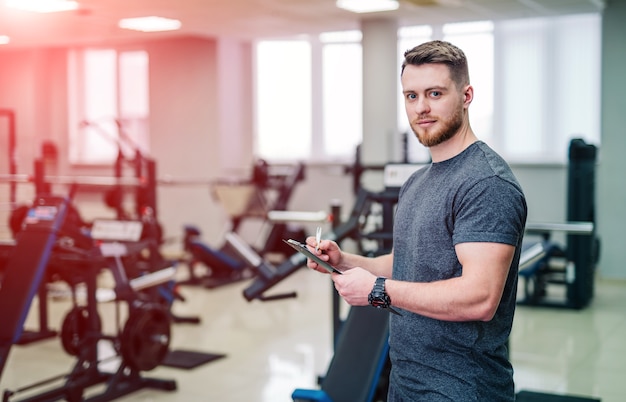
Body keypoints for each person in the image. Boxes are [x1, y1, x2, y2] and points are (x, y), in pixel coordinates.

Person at [306, 40, 527, 401]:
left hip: (461, 389)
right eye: (411, 96)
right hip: (407, 383)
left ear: (467, 94)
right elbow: (406, 265)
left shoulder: (486, 183)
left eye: (435, 93)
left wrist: (377, 290)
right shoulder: (417, 182)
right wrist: (344, 262)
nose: (421, 108)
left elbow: (480, 298)